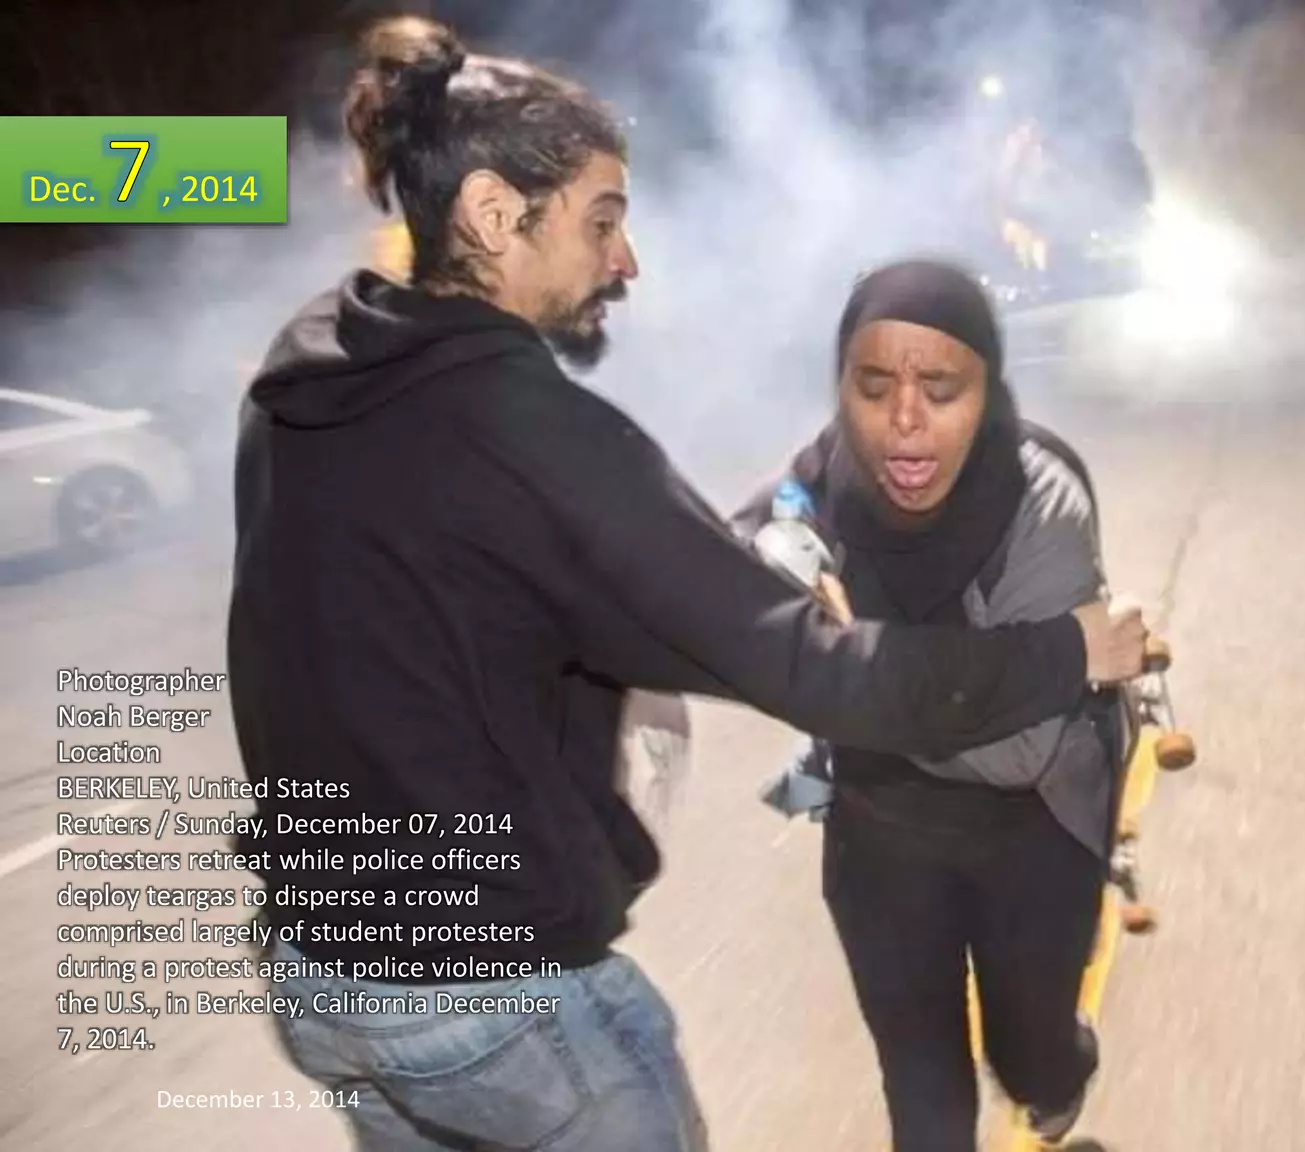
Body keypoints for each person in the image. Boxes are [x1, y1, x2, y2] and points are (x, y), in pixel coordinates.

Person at [229, 19, 1147, 1152]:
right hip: (490, 1005)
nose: (627, 261)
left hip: (319, 975)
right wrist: (1070, 651)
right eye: (601, 221)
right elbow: (818, 672)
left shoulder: (310, 369)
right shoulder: (536, 440)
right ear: (494, 214)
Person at [732, 260, 1116, 1150]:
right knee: (922, 1091)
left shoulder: (1042, 500)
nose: (904, 417)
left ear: (989, 390)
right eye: (873, 388)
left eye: (941, 389)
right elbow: (736, 554)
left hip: (1031, 836)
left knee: (1032, 1057)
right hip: (879, 840)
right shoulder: (824, 473)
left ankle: (1058, 1068)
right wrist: (782, 573)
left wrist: (842, 669)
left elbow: (1018, 753)